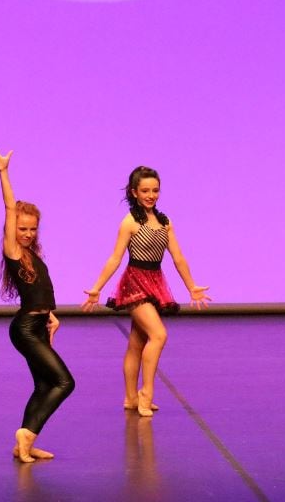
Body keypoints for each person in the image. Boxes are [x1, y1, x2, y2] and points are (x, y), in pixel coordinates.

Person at [82, 166, 210, 416]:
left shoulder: (165, 222)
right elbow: (115, 258)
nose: (151, 195)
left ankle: (130, 398)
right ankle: (146, 392)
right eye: (145, 191)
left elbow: (178, 257)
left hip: (155, 281)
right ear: (134, 192)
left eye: (155, 190)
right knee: (159, 335)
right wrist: (97, 288)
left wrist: (191, 286)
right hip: (134, 282)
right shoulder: (129, 222)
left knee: (137, 342)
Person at [0, 146, 74, 462]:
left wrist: (51, 316)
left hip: (38, 324)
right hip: (24, 330)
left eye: (32, 229)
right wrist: (3, 172)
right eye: (22, 228)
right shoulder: (14, 252)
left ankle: (24, 441)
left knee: (43, 385)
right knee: (64, 382)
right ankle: (27, 434)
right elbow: (9, 208)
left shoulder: (33, 254)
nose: (27, 234)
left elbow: (41, 290)